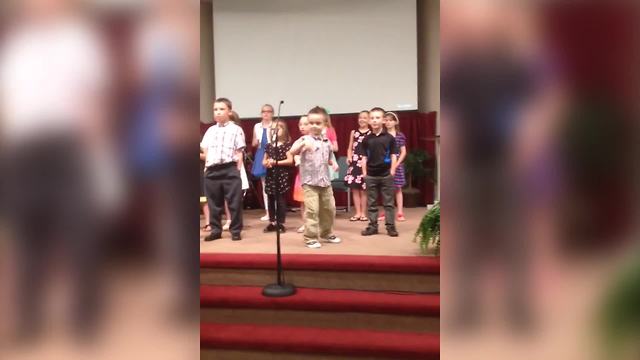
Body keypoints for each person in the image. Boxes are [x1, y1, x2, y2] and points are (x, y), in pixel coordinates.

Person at [289, 106, 341, 249]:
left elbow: (330, 156)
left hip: (324, 181)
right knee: (312, 210)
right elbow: (292, 151)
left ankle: (326, 232)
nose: (313, 126)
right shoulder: (304, 139)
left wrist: (334, 164)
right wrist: (302, 145)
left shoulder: (327, 141)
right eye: (310, 123)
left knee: (329, 208)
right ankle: (310, 237)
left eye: (317, 123)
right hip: (310, 182)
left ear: (325, 125)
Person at [201, 98, 245, 241]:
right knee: (214, 203)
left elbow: (239, 152)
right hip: (212, 170)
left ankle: (236, 230)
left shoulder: (236, 130)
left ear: (229, 111)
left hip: (229, 168)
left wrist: (237, 171)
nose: (218, 112)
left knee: (234, 202)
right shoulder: (210, 130)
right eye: (215, 109)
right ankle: (215, 230)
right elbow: (205, 149)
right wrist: (208, 165)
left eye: (222, 109)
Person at [359, 107, 399, 237]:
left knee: (388, 203)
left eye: (378, 118)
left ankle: (390, 227)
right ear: (369, 121)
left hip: (386, 174)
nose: (375, 120)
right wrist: (364, 173)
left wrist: (392, 170)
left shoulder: (389, 138)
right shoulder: (366, 139)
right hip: (371, 175)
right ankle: (372, 226)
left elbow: (394, 155)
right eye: (372, 118)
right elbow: (364, 157)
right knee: (372, 202)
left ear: (383, 120)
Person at [262, 121, 294, 232]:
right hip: (270, 175)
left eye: (278, 128)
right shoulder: (269, 146)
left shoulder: (287, 145)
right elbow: (264, 160)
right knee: (270, 199)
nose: (275, 131)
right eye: (273, 129)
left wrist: (276, 162)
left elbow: (290, 160)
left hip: (282, 175)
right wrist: (266, 162)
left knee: (280, 199)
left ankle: (280, 223)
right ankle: (272, 222)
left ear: (284, 130)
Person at [344, 110, 371, 221]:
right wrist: (349, 156)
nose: (362, 120)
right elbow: (350, 147)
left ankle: (363, 213)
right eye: (360, 117)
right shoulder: (353, 132)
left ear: (369, 119)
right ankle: (357, 212)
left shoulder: (371, 133)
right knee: (355, 189)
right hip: (354, 163)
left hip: (366, 163)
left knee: (364, 190)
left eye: (365, 117)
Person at [251, 104, 275, 221]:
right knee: (265, 185)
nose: (266, 114)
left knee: (274, 184)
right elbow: (254, 143)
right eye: (263, 111)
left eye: (269, 111)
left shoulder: (276, 125)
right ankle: (268, 212)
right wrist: (255, 142)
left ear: (272, 113)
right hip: (261, 153)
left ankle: (274, 211)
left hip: (273, 152)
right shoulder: (257, 126)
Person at [383, 112, 407, 221]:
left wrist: (397, 164)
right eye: (386, 120)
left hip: (397, 164)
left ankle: (400, 212)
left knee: (398, 188)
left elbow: (403, 152)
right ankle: (386, 211)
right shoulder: (382, 135)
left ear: (395, 122)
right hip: (385, 164)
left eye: (390, 120)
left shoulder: (399, 135)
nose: (388, 122)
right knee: (386, 189)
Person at [293, 116, 310, 233]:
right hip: (302, 176)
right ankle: (305, 224)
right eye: (300, 124)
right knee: (303, 203)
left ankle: (314, 224)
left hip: (313, 176)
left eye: (305, 124)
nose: (302, 126)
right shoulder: (299, 141)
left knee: (313, 203)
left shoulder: (316, 139)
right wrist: (296, 158)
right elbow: (292, 151)